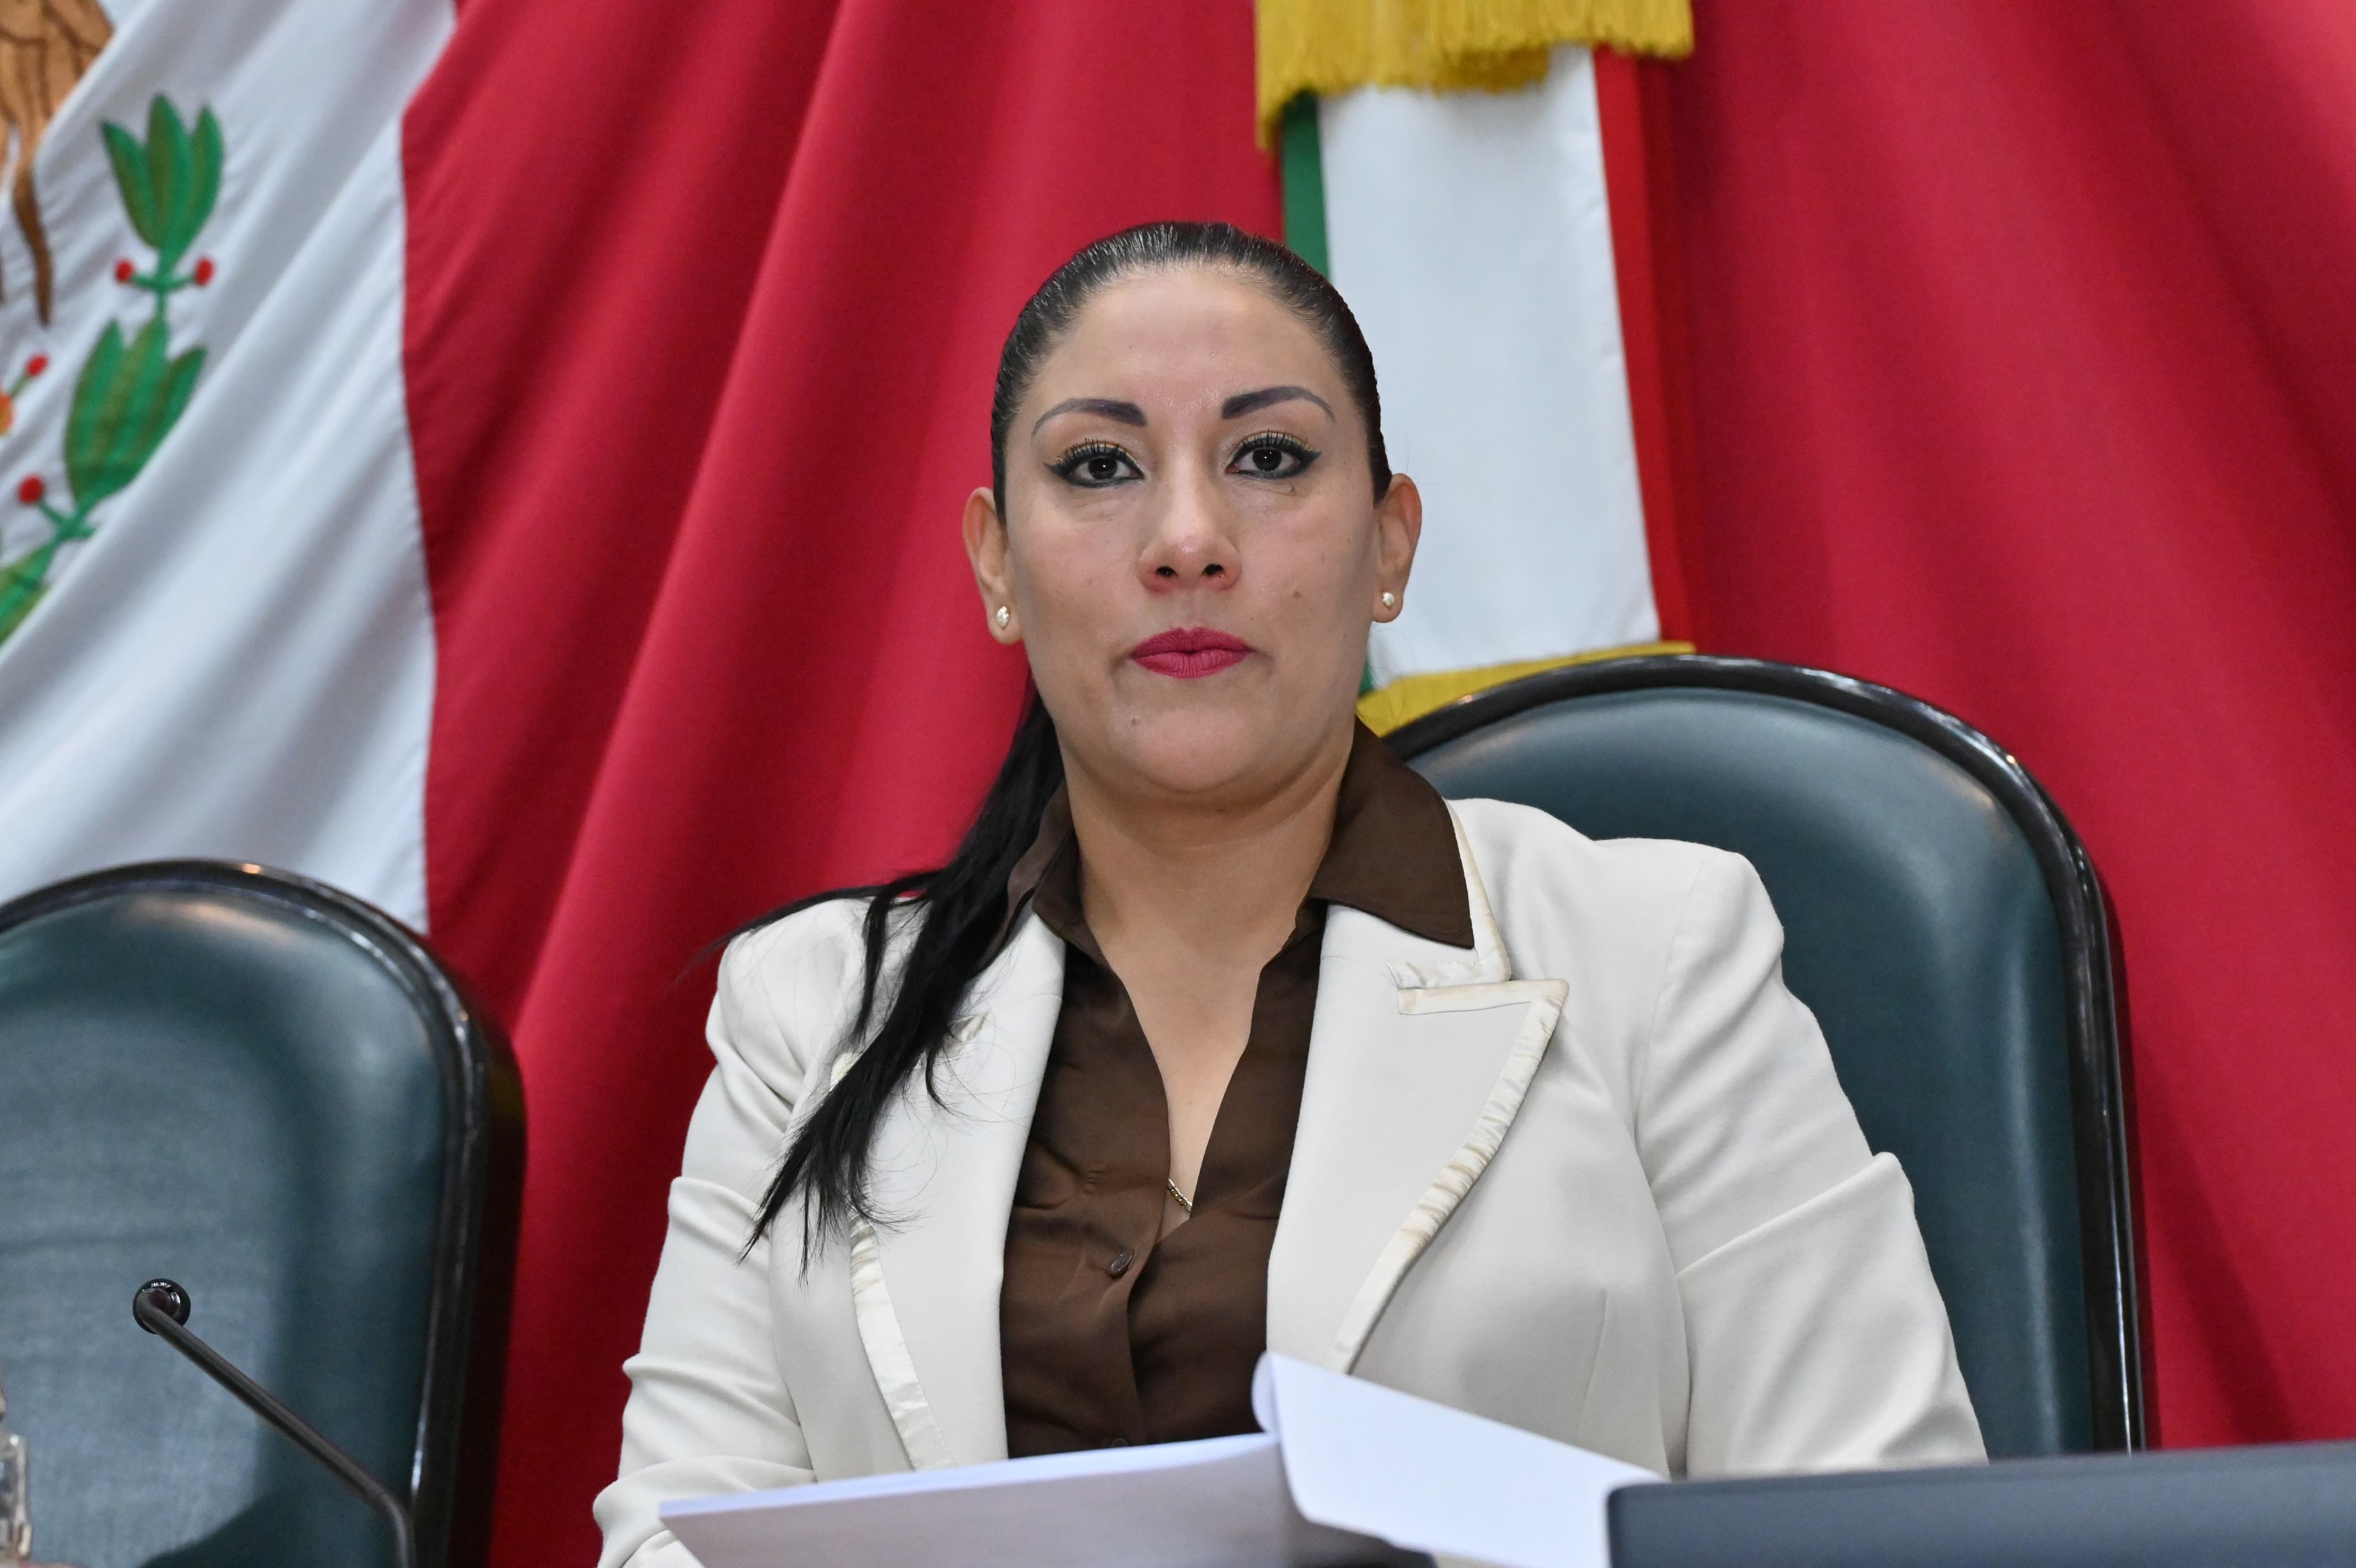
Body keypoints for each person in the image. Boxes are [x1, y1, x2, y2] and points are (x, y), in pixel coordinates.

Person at [594, 221, 1982, 1567]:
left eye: (1267, 458)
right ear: (996, 564)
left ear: (1391, 544)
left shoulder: (1659, 950)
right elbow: (675, 1534)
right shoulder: (811, 1011)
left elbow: (1873, 1521)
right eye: (1098, 466)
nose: (1187, 538)